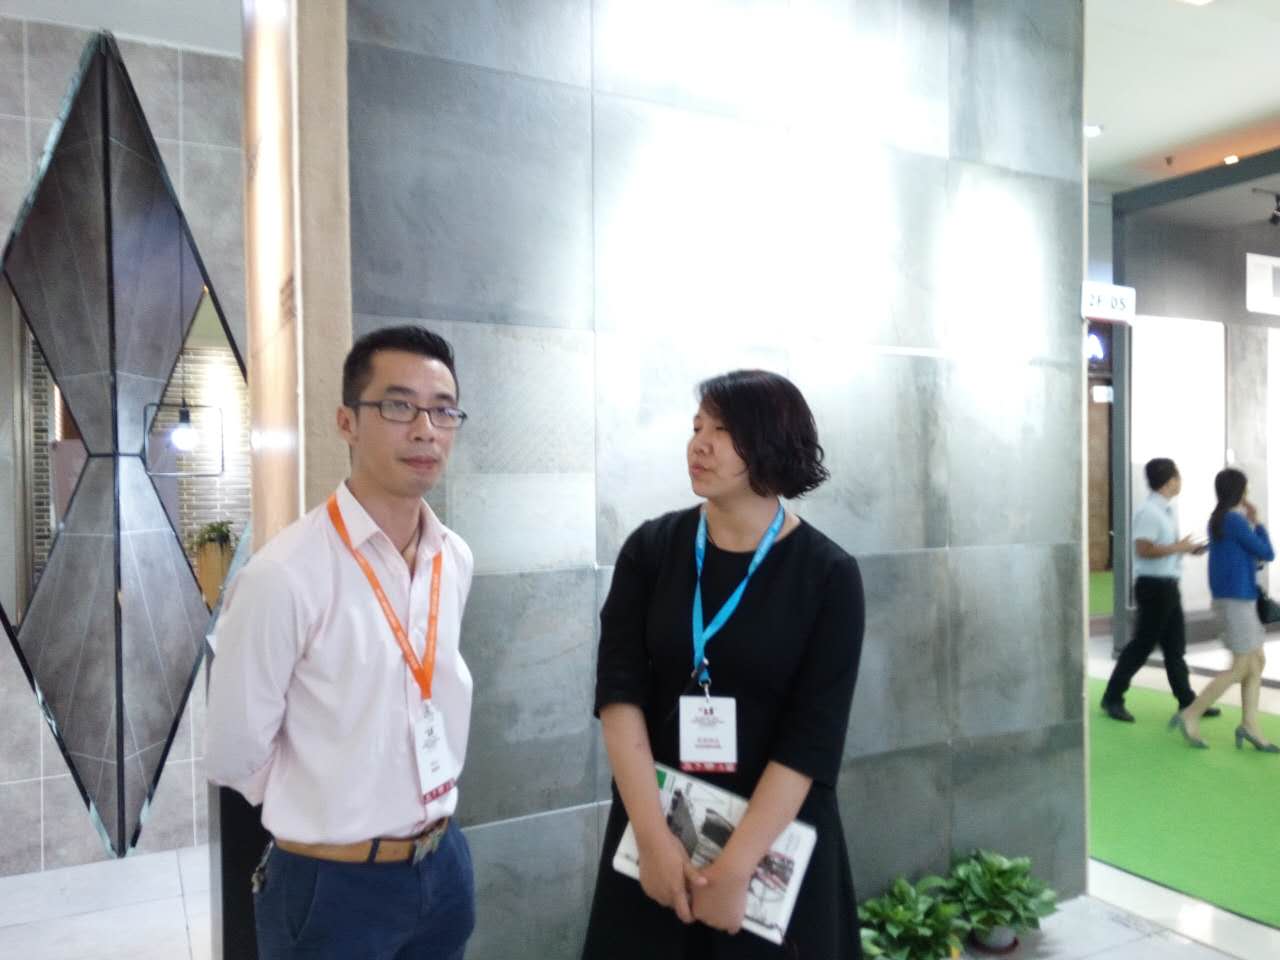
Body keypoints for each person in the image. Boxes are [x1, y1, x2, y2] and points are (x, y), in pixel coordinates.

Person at [206, 326, 477, 959]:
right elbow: (235, 751)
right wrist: (322, 801)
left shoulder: (453, 557)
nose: (425, 430)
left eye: (443, 410)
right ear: (347, 422)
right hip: (331, 884)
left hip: (443, 864)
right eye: (398, 405)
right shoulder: (284, 575)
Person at [583, 369, 866, 959]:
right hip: (658, 831)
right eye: (696, 428)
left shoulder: (828, 575)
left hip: (773, 848)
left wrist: (737, 869)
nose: (699, 445)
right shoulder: (651, 549)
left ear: (773, 444)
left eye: (723, 431)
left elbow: (812, 737)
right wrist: (654, 840)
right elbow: (619, 694)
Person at [1101, 457, 1219, 723]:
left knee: (1175, 647)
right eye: (1177, 477)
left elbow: (1163, 547)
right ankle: (1112, 697)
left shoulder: (1167, 509)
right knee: (1142, 644)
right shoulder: (1149, 512)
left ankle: (1187, 701)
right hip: (1153, 587)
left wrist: (1187, 549)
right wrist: (1179, 548)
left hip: (1168, 585)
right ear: (1168, 482)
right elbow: (1143, 549)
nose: (1180, 482)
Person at [1171, 468, 1277, 751]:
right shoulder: (1234, 521)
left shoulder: (1220, 519)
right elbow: (1267, 553)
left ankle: (1250, 725)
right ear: (1240, 491)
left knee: (1256, 661)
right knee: (1242, 666)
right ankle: (1192, 713)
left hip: (1237, 599)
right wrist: (1259, 522)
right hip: (1236, 602)